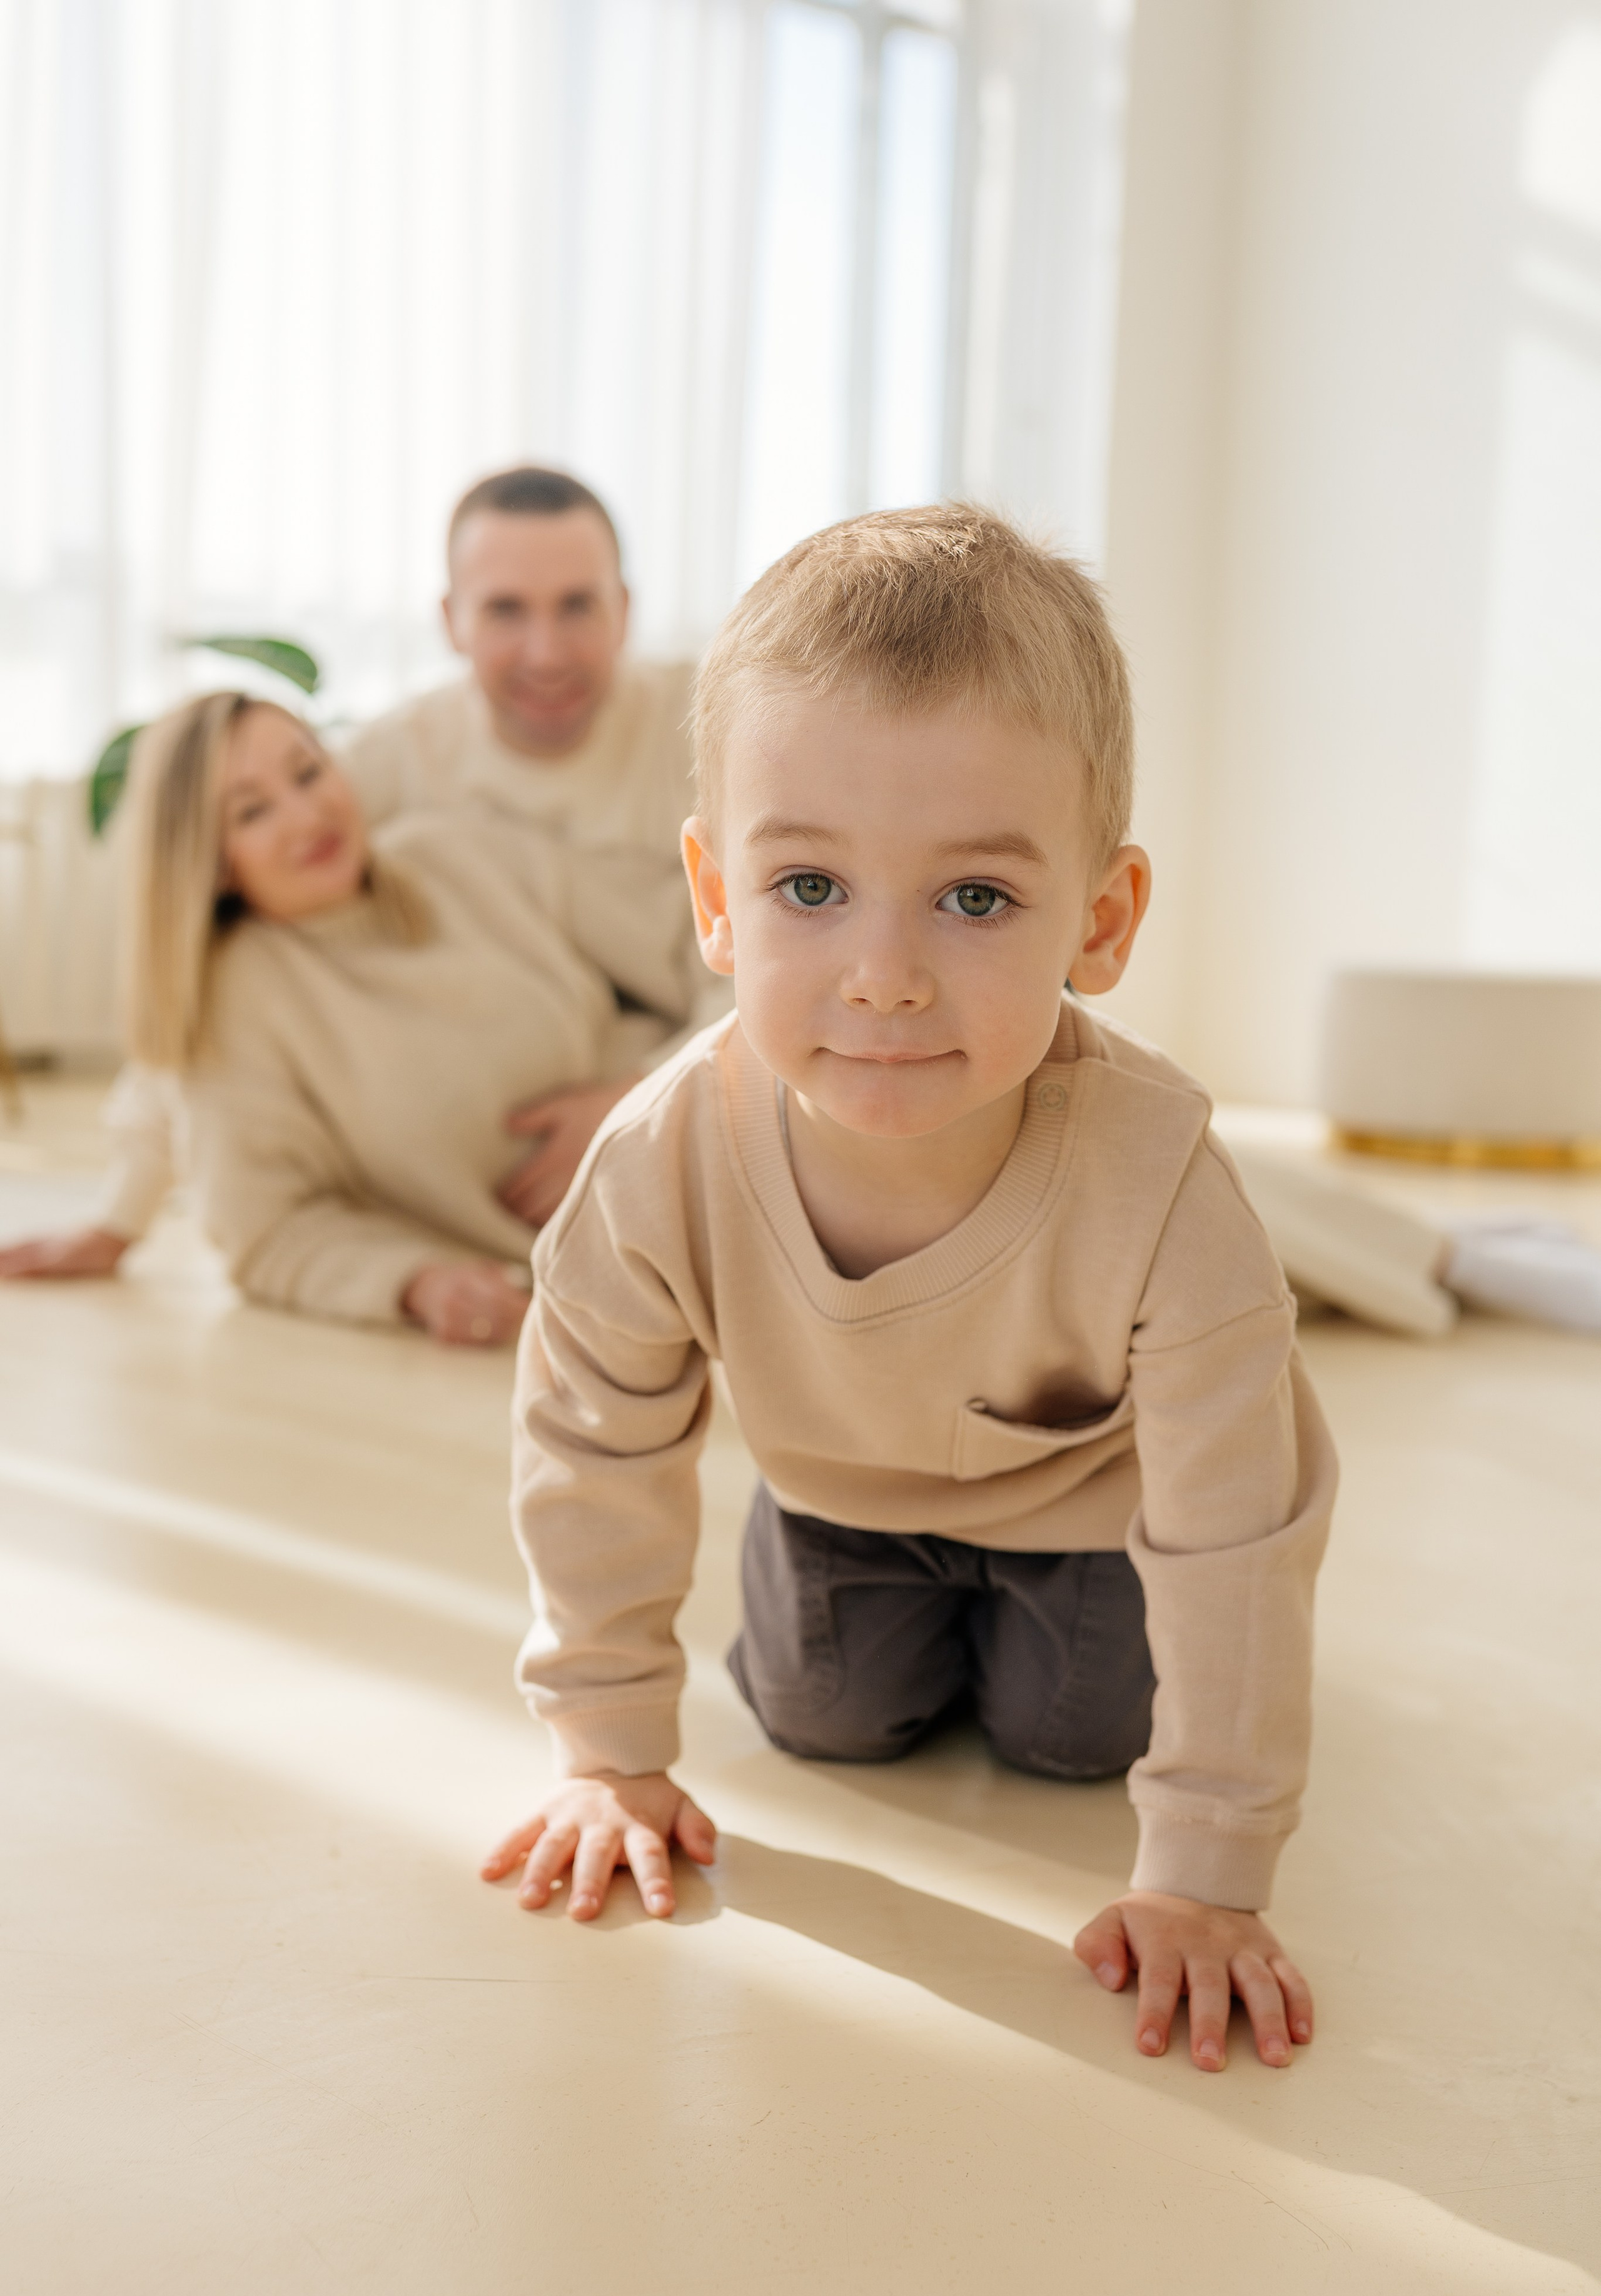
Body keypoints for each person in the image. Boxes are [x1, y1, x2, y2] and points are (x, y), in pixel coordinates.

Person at [482, 503, 1338, 2076]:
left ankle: (1019, 1636)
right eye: (808, 888)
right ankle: (838, 1581)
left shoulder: (1157, 1178)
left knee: (1070, 1734)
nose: (882, 974)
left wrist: (1207, 1865)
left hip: (1086, 1509)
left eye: (973, 900)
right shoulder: (660, 1154)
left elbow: (1233, 1526)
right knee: (822, 1715)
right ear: (714, 895)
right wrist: (603, 1749)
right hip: (840, 1495)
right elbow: (589, 1437)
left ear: (1100, 918)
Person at [0, 466, 720, 1281]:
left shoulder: (711, 727)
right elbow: (188, 975)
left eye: (577, 606)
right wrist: (118, 1215)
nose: (545, 650)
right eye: (507, 610)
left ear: (625, 608)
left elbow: (772, 946)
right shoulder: (381, 769)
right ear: (451, 621)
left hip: (705, 1051)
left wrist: (642, 1102)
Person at [108, 689, 670, 1343]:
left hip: (718, 1154)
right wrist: (417, 1283)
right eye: (253, 811)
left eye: (309, 771)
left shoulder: (458, 852)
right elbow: (265, 1233)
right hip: (610, 1294)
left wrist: (642, 1096)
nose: (306, 815)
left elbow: (712, 938)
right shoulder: (242, 1001)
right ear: (211, 861)